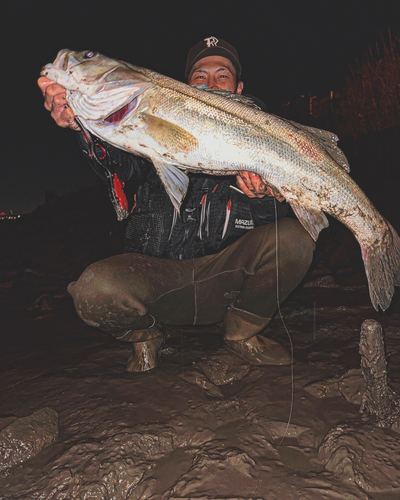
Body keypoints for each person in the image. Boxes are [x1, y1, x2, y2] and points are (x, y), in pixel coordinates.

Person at [38, 37, 314, 372]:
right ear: (186, 86)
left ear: (238, 88)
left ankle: (242, 333)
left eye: (221, 75)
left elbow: (271, 221)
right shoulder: (147, 129)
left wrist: (266, 195)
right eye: (199, 76)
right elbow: (119, 164)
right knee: (93, 290)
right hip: (160, 285)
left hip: (224, 284)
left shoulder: (261, 141)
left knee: (294, 239)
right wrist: (81, 123)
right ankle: (147, 336)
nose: (210, 82)